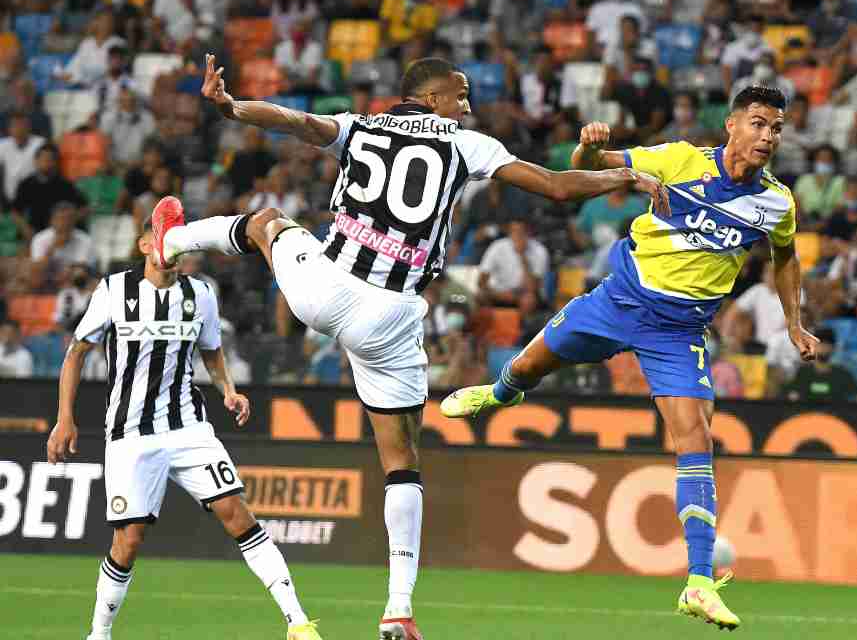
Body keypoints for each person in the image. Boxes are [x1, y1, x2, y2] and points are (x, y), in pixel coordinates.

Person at [152, 54, 669, 640]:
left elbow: (293, 121)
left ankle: (172, 242)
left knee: (268, 221)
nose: (467, 106)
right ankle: (398, 609)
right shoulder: (467, 146)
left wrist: (232, 106)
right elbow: (554, 187)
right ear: (429, 99)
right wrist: (624, 176)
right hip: (390, 315)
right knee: (402, 462)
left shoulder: (361, 125)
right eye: (460, 95)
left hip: (323, 287)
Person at [440, 86, 819, 631]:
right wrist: (589, 145)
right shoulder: (679, 158)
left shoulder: (777, 202)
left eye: (777, 128)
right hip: (617, 301)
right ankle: (497, 395)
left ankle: (698, 583)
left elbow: (785, 257)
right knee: (526, 369)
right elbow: (589, 168)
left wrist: (793, 322)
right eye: (758, 123)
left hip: (678, 331)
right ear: (732, 125)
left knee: (696, 439)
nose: (768, 137)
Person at [45, 223, 321, 640]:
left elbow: (211, 349)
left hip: (188, 427)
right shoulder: (114, 290)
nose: (171, 247)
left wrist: (228, 389)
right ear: (143, 244)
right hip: (130, 432)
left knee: (237, 513)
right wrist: (65, 417)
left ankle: (297, 622)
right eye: (161, 236)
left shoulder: (201, 294)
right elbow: (77, 352)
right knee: (129, 541)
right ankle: (98, 635)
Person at [783, 328, 857, 402]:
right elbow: (790, 393)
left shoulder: (842, 374)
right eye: (820, 343)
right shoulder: (803, 373)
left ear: (834, 347)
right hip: (807, 414)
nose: (824, 347)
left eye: (828, 344)